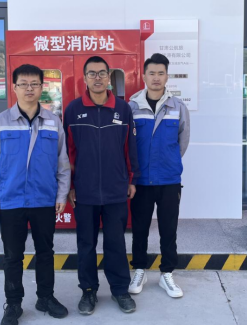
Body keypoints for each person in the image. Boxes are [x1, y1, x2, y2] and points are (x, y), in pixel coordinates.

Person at [0, 64, 71, 325]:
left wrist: (61, 195)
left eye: (34, 84)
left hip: (44, 199)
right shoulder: (0, 122)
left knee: (45, 252)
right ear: (14, 87)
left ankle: (45, 297)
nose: (29, 89)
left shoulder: (53, 122)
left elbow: (63, 163)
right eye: (23, 84)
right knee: (12, 256)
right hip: (11, 200)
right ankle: (13, 303)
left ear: (42, 87)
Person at [63, 56, 140, 315]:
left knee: (116, 243)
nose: (97, 78)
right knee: (86, 244)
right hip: (84, 191)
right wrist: (70, 185)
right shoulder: (73, 110)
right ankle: (88, 290)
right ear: (84, 78)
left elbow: (130, 147)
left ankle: (120, 290)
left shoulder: (123, 109)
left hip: (116, 189)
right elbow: (68, 152)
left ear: (109, 77)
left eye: (102, 73)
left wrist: (131, 179)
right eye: (92, 73)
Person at [127, 53, 190, 298]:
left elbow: (182, 142)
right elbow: (127, 143)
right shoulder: (132, 107)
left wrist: (168, 162)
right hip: (141, 181)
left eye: (160, 73)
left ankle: (166, 274)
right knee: (140, 229)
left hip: (169, 180)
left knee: (168, 229)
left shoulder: (178, 107)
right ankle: (139, 269)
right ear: (144, 76)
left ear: (167, 76)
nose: (156, 77)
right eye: (151, 73)